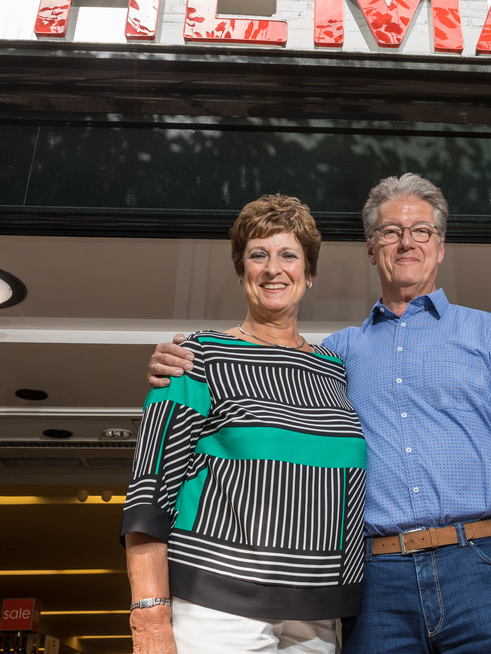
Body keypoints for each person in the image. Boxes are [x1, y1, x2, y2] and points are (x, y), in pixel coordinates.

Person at [149, 174, 491, 653]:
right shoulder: (333, 356)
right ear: (370, 247)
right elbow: (266, 366)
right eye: (390, 231)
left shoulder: (489, 333)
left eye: (421, 230)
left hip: (480, 564)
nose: (406, 241)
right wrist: (182, 357)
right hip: (375, 579)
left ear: (440, 247)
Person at [123, 194, 366, 654]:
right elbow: (149, 492)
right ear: (242, 272)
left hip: (318, 612)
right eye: (258, 254)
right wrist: (150, 617)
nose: (273, 268)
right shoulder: (197, 356)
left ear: (309, 274)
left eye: (288, 255)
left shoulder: (337, 370)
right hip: (217, 605)